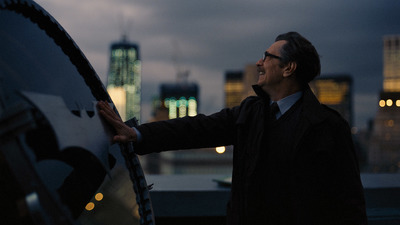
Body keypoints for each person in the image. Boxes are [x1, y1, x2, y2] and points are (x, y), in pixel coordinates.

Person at [97, 31, 367, 225]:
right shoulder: (252, 112)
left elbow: (349, 202)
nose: (260, 63)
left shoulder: (329, 127)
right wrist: (138, 134)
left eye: (267, 56)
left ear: (289, 68)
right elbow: (197, 128)